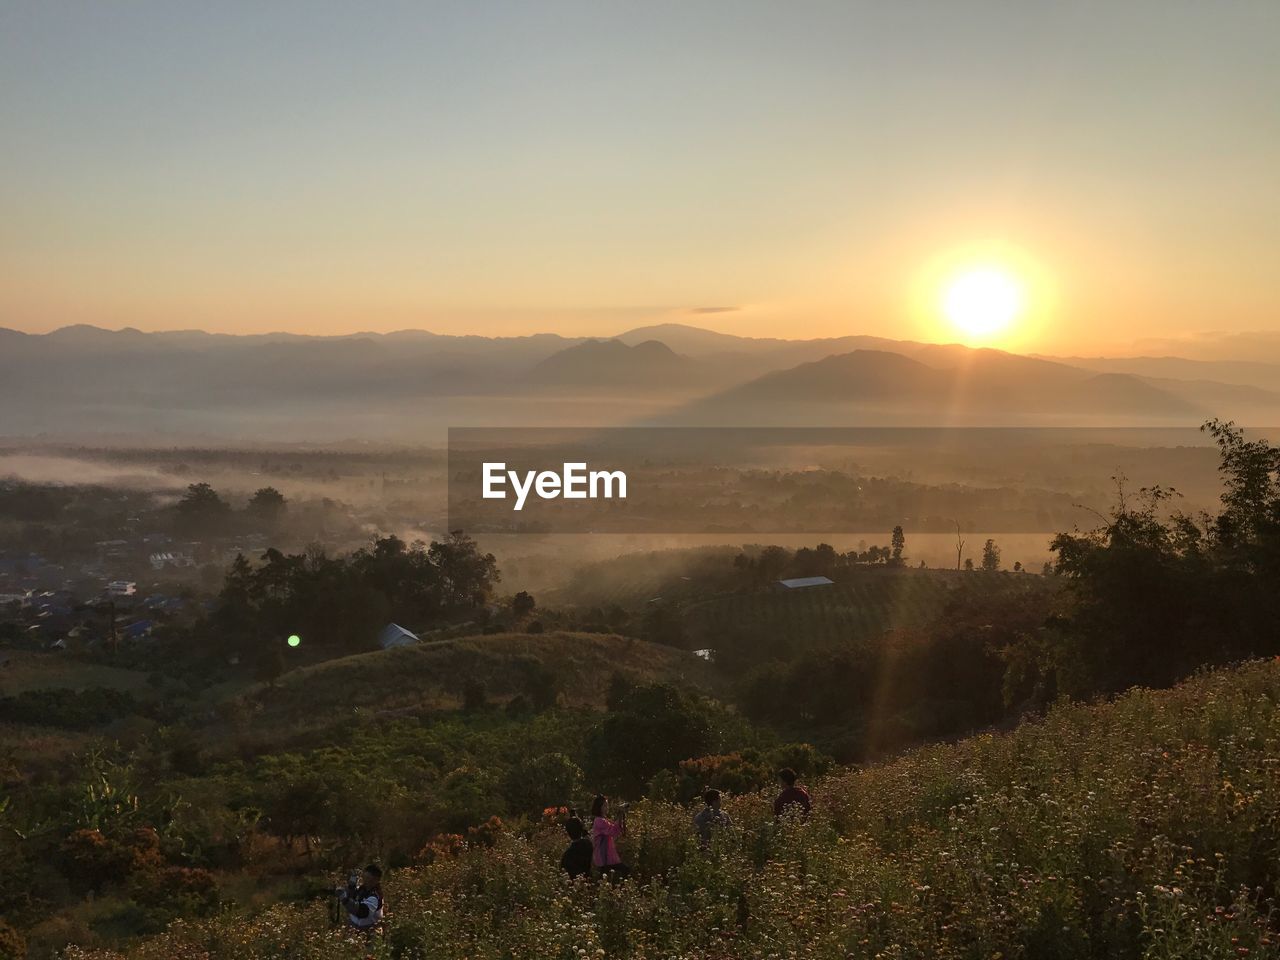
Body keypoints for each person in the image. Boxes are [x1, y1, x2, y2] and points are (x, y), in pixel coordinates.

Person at [590, 794, 630, 880]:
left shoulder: (602, 819)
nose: (607, 808)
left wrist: (621, 815)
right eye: (605, 806)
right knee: (624, 870)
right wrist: (620, 814)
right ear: (599, 807)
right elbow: (613, 830)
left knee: (604, 879)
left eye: (607, 805)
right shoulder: (599, 821)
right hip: (604, 856)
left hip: (607, 856)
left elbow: (615, 830)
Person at [338, 863, 385, 931]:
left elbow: (362, 912)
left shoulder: (375, 896)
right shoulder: (362, 889)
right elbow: (352, 897)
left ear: (376, 880)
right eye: (364, 877)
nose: (365, 880)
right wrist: (352, 885)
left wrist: (344, 898)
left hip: (369, 932)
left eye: (368, 878)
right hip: (354, 929)